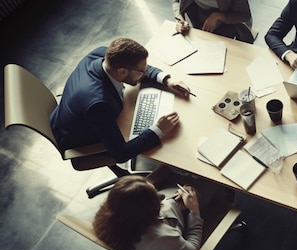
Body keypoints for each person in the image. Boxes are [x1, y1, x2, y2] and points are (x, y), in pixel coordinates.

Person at [50, 38, 191, 164]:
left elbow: (137, 67)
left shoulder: (101, 55)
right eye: (142, 71)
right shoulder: (99, 105)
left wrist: (166, 79)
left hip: (73, 113)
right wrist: (158, 129)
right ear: (122, 72)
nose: (146, 73)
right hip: (80, 137)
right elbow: (121, 154)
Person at [93, 175, 202, 250]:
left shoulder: (112, 211)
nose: (162, 196)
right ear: (148, 211)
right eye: (156, 196)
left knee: (181, 181)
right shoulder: (161, 236)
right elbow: (191, 249)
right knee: (202, 186)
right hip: (176, 249)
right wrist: (194, 210)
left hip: (159, 235)